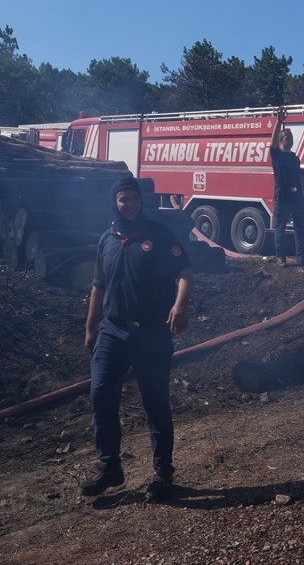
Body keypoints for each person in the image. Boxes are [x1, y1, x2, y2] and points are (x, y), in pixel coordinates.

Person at [81, 175, 194, 503]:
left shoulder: (158, 235)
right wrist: (91, 327)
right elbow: (97, 287)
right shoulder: (106, 240)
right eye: (123, 199)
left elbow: (185, 272)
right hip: (112, 331)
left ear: (141, 201)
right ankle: (109, 467)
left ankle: (163, 474)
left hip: (152, 333)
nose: (129, 204)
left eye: (134, 198)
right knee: (101, 394)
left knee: (155, 402)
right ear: (114, 202)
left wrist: (180, 304)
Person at [270, 106, 304, 267]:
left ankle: (301, 257)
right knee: (280, 226)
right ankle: (281, 257)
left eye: (292, 138)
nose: (291, 141)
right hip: (283, 195)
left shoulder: (295, 158)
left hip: (297, 196)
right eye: (287, 138)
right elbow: (272, 142)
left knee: (299, 228)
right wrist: (279, 121)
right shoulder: (276, 155)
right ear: (281, 141)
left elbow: (300, 177)